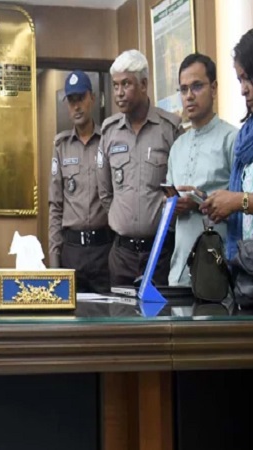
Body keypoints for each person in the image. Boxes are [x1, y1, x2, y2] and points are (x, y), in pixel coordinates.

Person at [97, 49, 182, 287]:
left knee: (161, 311)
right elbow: (105, 193)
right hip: (122, 254)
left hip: (161, 252)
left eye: (126, 84)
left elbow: (179, 190)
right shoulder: (109, 131)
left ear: (143, 84)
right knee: (120, 311)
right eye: (115, 85)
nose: (119, 93)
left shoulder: (169, 129)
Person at [201, 26, 253, 256]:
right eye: (239, 80)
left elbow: (246, 199)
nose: (243, 90)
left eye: (248, 78)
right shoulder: (250, 130)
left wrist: (238, 202)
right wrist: (217, 202)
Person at [166, 53, 237, 286]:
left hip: (218, 275)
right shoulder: (177, 147)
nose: (189, 96)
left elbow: (245, 209)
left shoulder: (232, 140)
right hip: (179, 274)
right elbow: (170, 214)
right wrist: (172, 206)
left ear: (214, 88)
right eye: (183, 89)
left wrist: (201, 202)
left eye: (197, 86)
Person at [48, 70, 112, 293]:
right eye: (71, 100)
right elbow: (55, 206)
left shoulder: (107, 140)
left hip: (104, 249)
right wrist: (54, 260)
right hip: (72, 251)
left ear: (92, 98)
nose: (76, 106)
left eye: (81, 98)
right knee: (71, 313)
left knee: (108, 311)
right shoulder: (61, 146)